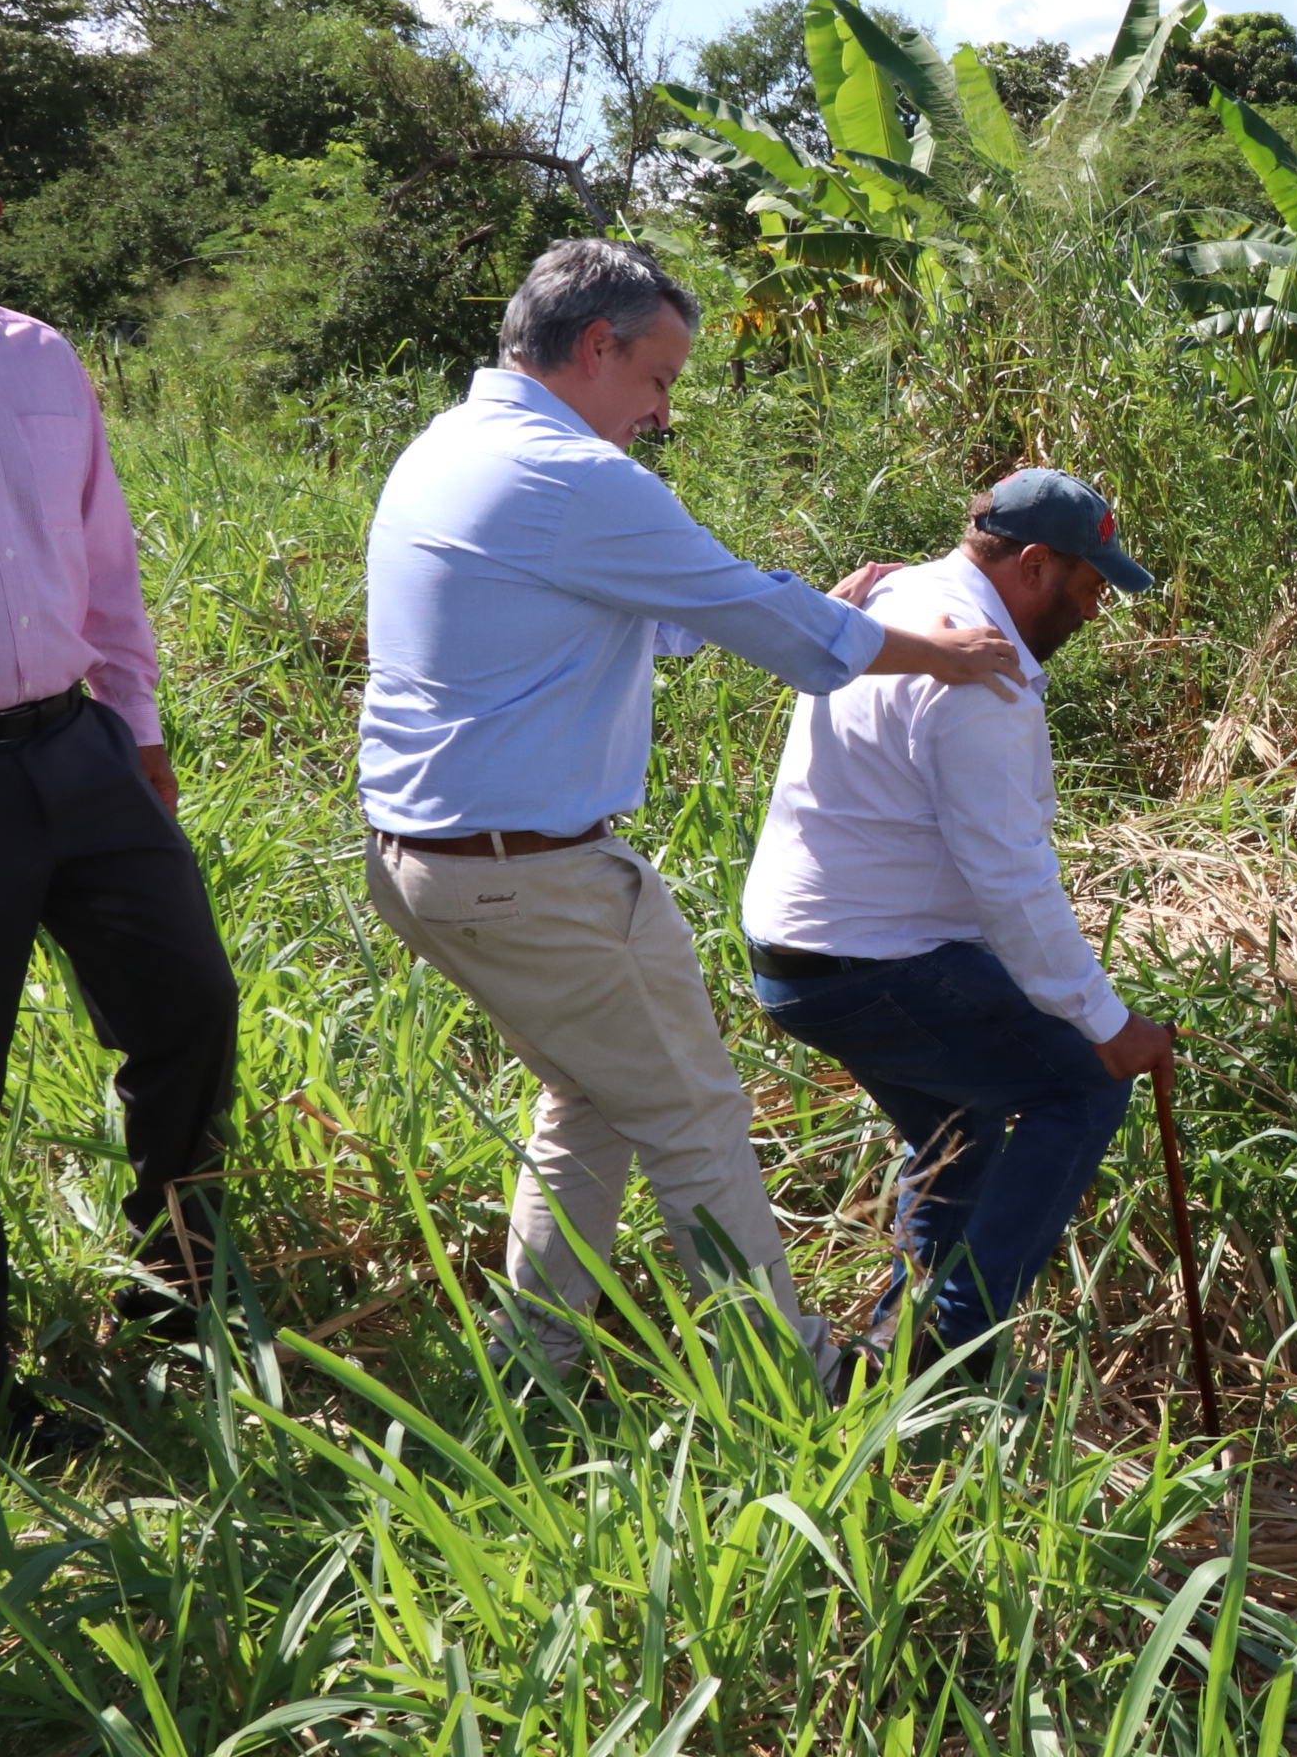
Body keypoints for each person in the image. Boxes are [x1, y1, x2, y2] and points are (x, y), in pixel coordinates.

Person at [359, 239, 1024, 1385]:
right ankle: (794, 1382)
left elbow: (665, 615)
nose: (663, 413)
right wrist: (939, 654)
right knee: (695, 1119)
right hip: (534, 881)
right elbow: (769, 631)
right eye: (659, 379)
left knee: (593, 1096)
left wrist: (803, 608)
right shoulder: (573, 474)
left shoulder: (450, 447)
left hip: (430, 867)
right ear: (596, 345)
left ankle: (533, 1367)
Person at [739, 468, 1175, 1383]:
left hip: (795, 957)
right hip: (871, 964)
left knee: (959, 1130)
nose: (1092, 609)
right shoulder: (981, 671)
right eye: (1086, 585)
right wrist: (1106, 1024)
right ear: (1033, 565)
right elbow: (1011, 879)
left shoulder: (897, 601)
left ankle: (895, 1366)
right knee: (1081, 1089)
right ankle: (954, 1356)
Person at [0, 126, 238, 1454]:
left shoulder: (39, 358)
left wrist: (139, 729)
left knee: (189, 1002)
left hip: (77, 749)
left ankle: (179, 1294)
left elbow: (105, 555)